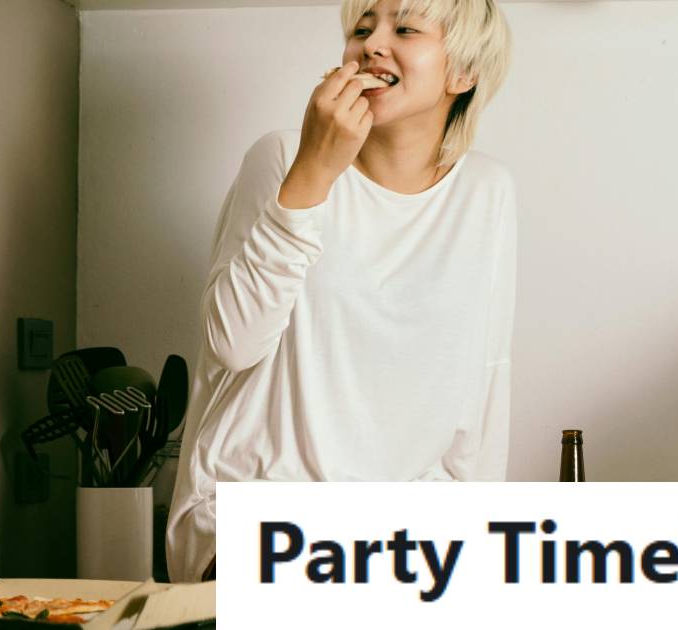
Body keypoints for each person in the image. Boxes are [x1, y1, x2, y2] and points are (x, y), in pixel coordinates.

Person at [166, 0, 515, 583]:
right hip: (257, 519)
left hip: (400, 535)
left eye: (404, 29)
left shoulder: (487, 191)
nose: (372, 45)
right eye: (361, 29)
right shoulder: (282, 156)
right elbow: (231, 342)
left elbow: (485, 379)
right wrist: (314, 170)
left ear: (463, 73)